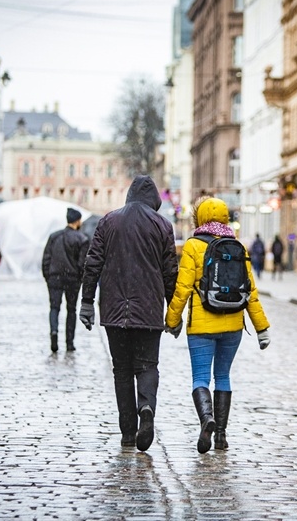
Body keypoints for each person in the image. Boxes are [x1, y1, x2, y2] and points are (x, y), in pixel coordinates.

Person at [78, 175, 178, 452]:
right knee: (147, 365)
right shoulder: (162, 225)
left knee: (121, 370)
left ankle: (127, 433)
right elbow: (171, 272)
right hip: (148, 309)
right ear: (154, 199)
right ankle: (146, 407)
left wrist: (86, 301)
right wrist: (174, 310)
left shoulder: (109, 221)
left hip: (113, 309)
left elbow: (93, 262)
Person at [165, 196, 270, 453]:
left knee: (200, 377)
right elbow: (251, 292)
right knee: (223, 376)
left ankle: (207, 419)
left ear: (199, 217)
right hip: (233, 325)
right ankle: (221, 435)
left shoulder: (193, 246)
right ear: (224, 217)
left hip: (201, 326)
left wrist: (172, 319)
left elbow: (183, 288)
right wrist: (261, 328)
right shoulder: (237, 246)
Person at [42, 207, 90, 353]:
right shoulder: (82, 239)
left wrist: (48, 276)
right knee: (71, 310)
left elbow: (46, 259)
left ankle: (54, 332)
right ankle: (69, 342)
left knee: (54, 307)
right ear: (77, 221)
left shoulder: (54, 236)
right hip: (72, 279)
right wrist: (80, 279)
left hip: (54, 277)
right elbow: (83, 264)